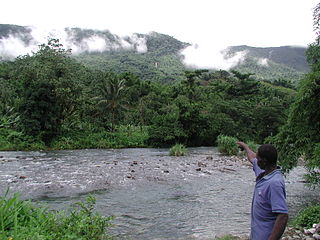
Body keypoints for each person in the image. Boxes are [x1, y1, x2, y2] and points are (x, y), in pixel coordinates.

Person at [237, 142, 288, 240]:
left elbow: (283, 216)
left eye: (258, 157)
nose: (256, 159)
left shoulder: (274, 183)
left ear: (264, 161)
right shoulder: (263, 173)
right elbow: (252, 158)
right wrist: (246, 147)